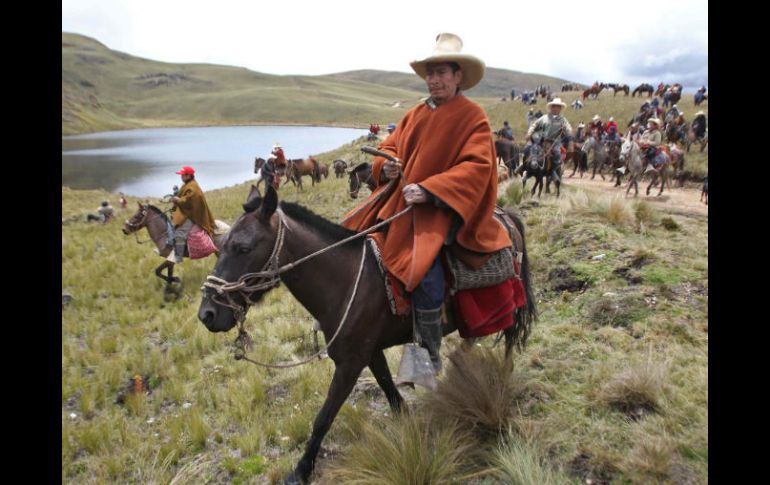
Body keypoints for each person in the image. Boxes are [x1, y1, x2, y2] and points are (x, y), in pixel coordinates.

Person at [340, 33, 514, 374]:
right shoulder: (416, 114)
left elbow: (478, 168)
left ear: (458, 75)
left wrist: (432, 190)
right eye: (430, 74)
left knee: (425, 274)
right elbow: (390, 148)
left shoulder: (473, 116)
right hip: (402, 204)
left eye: (441, 73)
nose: (434, 80)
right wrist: (385, 166)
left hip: (445, 210)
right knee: (352, 237)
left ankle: (427, 358)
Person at [170, 166, 216, 263]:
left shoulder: (193, 187)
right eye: (181, 175)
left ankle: (178, 257)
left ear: (188, 175)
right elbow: (184, 197)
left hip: (194, 216)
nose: (181, 177)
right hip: (189, 213)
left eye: (183, 175)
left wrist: (177, 200)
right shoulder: (188, 184)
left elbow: (187, 201)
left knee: (180, 234)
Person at [526, 97, 574, 184]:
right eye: (554, 106)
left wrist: (570, 138)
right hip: (542, 140)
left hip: (555, 142)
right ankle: (525, 167)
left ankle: (553, 173)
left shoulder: (563, 120)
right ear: (551, 107)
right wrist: (529, 133)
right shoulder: (544, 118)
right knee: (531, 150)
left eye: (558, 106)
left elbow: (569, 128)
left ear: (560, 108)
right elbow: (534, 125)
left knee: (557, 154)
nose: (556, 108)